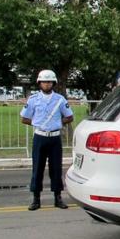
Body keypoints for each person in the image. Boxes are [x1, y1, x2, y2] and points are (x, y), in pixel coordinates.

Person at [20, 69, 74, 211]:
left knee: (56, 168)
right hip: (40, 137)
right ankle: (36, 199)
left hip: (55, 138)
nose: (46, 84)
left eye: (49, 82)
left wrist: (58, 123)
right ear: (39, 83)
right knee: (37, 168)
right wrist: (37, 123)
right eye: (44, 82)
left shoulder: (60, 100)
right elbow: (24, 118)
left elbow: (70, 116)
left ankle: (58, 197)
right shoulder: (33, 100)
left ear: (53, 83)